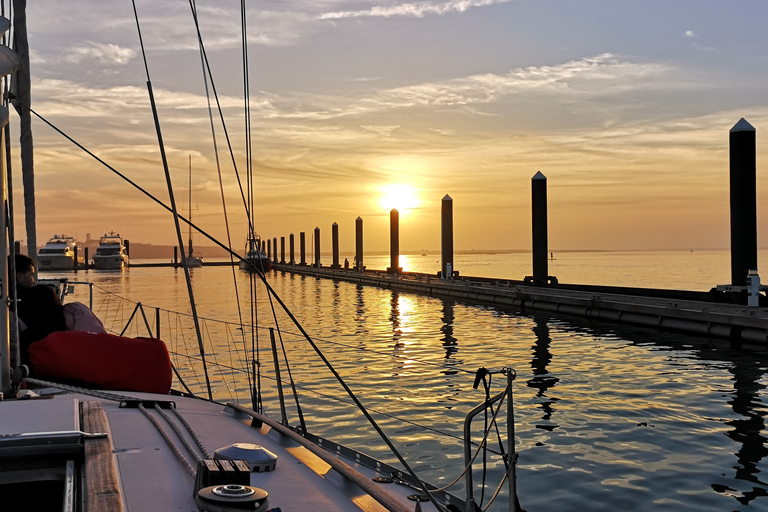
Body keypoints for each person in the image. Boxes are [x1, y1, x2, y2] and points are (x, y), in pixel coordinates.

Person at [13, 254, 67, 365]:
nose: (34, 281)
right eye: (31, 275)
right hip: (41, 356)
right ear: (20, 277)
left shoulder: (9, 300)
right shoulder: (42, 296)